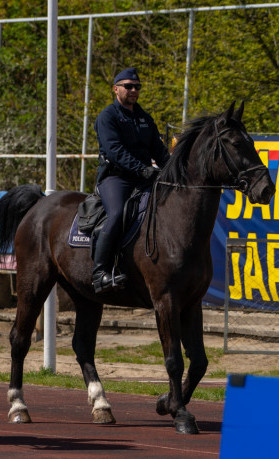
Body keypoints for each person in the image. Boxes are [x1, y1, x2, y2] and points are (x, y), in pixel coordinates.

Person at [92, 67, 170, 293]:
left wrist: (173, 170)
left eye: (137, 87)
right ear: (115, 89)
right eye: (128, 86)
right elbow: (115, 151)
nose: (133, 90)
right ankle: (100, 273)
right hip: (116, 178)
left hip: (145, 178)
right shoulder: (107, 117)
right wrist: (142, 169)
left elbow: (159, 150)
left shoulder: (145, 118)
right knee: (117, 214)